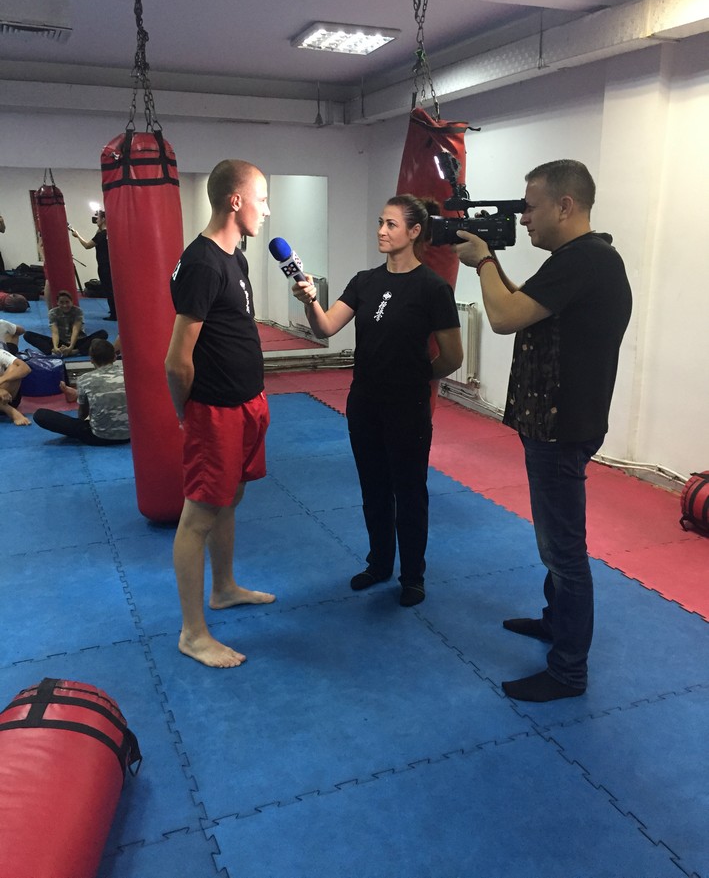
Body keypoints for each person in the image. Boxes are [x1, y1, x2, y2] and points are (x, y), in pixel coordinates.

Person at [454, 159, 632, 702]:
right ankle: (557, 623)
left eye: (531, 207)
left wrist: (484, 260)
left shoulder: (584, 260)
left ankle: (568, 671)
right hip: (558, 423)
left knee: (564, 553)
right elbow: (522, 305)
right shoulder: (578, 261)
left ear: (565, 206)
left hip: (562, 427)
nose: (524, 218)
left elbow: (504, 318)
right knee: (555, 545)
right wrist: (490, 263)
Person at [292, 194, 463, 608]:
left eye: (391, 224)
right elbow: (326, 327)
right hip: (365, 402)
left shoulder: (432, 288)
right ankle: (379, 563)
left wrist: (417, 378)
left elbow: (453, 356)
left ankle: (413, 575)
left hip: (408, 406)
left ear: (415, 231)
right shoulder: (364, 281)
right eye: (380, 223)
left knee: (409, 491)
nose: (381, 231)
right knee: (374, 488)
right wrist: (310, 300)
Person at [165, 159, 275, 669]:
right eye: (262, 199)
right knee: (198, 517)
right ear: (236, 201)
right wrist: (184, 412)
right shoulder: (204, 264)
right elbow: (177, 360)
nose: (266, 211)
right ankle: (192, 634)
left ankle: (224, 587)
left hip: (248, 403)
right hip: (215, 411)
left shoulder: (235, 257)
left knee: (232, 497)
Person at [33, 338, 130, 445]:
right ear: (115, 357)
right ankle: (76, 394)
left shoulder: (85, 379)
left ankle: (76, 395)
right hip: (131, 436)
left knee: (40, 415)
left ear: (91, 359)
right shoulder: (129, 375)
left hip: (98, 437)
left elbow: (83, 414)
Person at [24, 290, 108, 357]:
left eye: (67, 302)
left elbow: (75, 330)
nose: (64, 305)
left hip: (78, 341)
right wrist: (55, 347)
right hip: (61, 342)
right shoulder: (53, 312)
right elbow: (55, 332)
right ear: (57, 303)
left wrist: (71, 347)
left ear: (72, 301)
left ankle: (76, 351)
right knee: (27, 335)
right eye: (61, 302)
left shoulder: (78, 311)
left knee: (103, 333)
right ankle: (54, 351)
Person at [70, 209, 116, 320]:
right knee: (110, 288)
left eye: (98, 218)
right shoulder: (107, 233)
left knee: (108, 289)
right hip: (109, 264)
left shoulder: (101, 235)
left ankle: (114, 314)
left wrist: (77, 235)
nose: (96, 220)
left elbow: (87, 245)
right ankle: (114, 310)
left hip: (104, 265)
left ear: (104, 219)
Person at [0, 346, 31, 426]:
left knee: (15, 367)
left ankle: (4, 405)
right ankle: (8, 409)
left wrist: (2, 380)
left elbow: (26, 368)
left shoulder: (1, 353)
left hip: (7, 398)